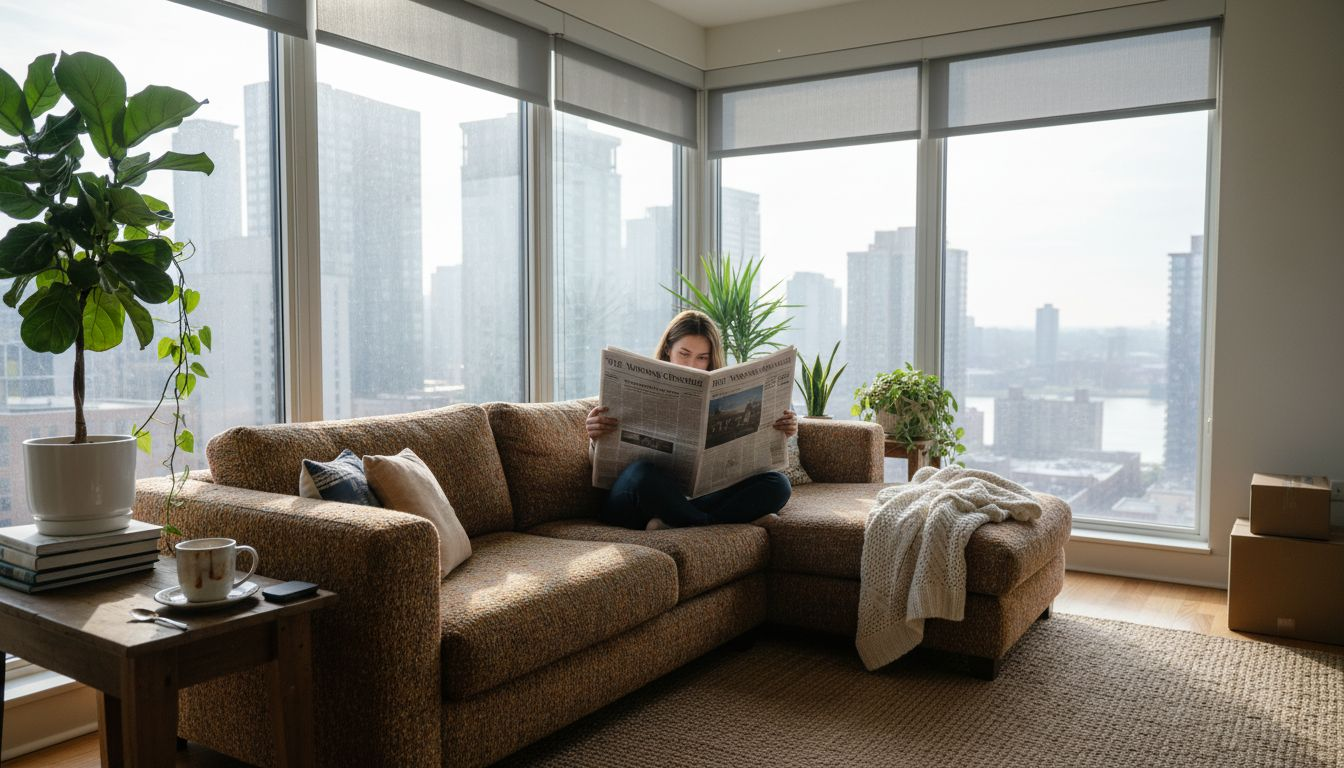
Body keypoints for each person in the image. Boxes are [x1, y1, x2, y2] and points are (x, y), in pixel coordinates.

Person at [586, 310, 797, 530]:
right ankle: (716, 523)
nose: (691, 365)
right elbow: (600, 466)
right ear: (668, 349)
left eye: (701, 358)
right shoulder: (635, 384)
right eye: (684, 354)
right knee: (643, 473)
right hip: (635, 496)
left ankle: (677, 522)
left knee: (778, 484)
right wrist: (595, 438)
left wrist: (782, 431)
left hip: (687, 499)